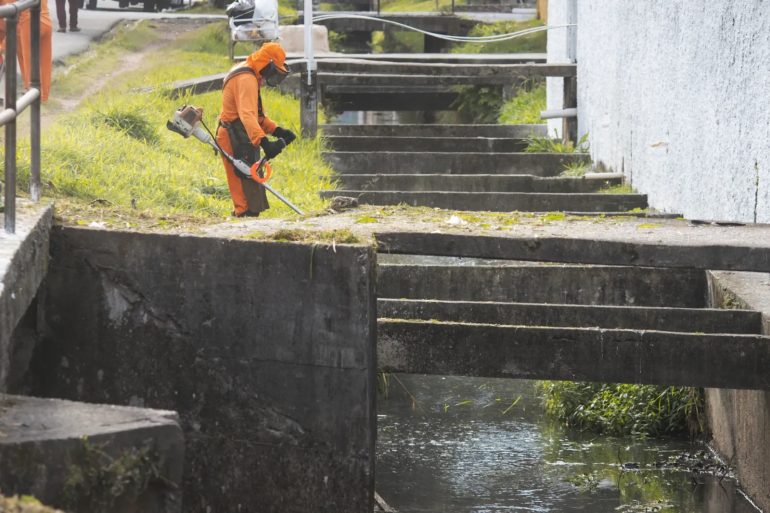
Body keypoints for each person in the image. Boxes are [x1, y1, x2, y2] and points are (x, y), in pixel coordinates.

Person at [216, 42, 296, 217]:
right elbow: (247, 116)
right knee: (243, 194)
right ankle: (241, 223)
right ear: (267, 64)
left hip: (243, 134)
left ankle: (247, 220)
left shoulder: (251, 74)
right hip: (233, 136)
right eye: (274, 71)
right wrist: (264, 142)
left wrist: (278, 131)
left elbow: (257, 116)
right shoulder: (246, 79)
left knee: (252, 189)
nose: (273, 76)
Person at [0, 0, 53, 102]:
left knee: (28, 63)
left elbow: (8, 11)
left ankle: (33, 95)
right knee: (45, 62)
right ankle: (44, 95)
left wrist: (3, 44)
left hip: (28, 23)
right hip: (46, 19)